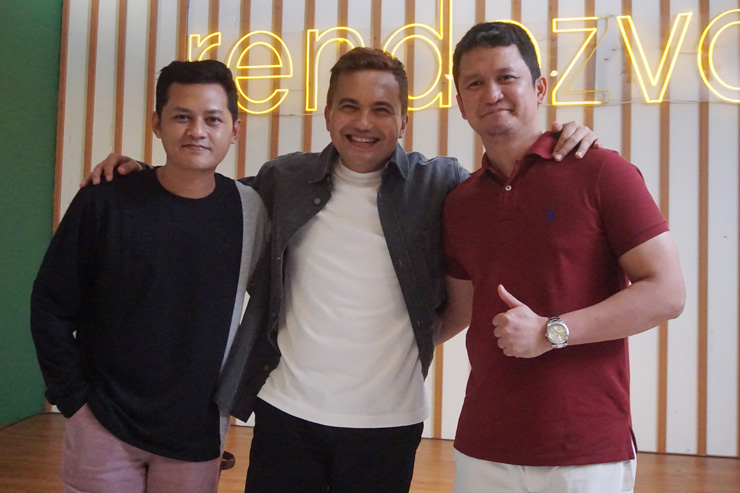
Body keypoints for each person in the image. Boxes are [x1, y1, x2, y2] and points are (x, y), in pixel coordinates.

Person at [83, 47, 599, 492]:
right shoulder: (284, 179)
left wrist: (558, 139)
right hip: (285, 412)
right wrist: (142, 174)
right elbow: (206, 198)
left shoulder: (438, 185)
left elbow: (511, 184)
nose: (364, 123)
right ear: (328, 114)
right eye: (349, 106)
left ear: (403, 121)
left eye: (381, 109)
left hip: (389, 421)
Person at [439, 22, 686, 493]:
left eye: (506, 77)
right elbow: (458, 310)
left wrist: (552, 331)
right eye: (474, 83)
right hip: (482, 447)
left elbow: (667, 292)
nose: (492, 93)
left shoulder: (602, 171)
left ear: (539, 88)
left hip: (585, 451)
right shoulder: (460, 203)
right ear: (461, 103)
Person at [31, 60, 268, 493]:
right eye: (182, 117)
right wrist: (73, 400)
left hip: (196, 431)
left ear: (235, 130)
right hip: (103, 422)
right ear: (157, 123)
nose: (197, 131)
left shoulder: (250, 209)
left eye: (213, 119)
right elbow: (50, 305)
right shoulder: (104, 201)